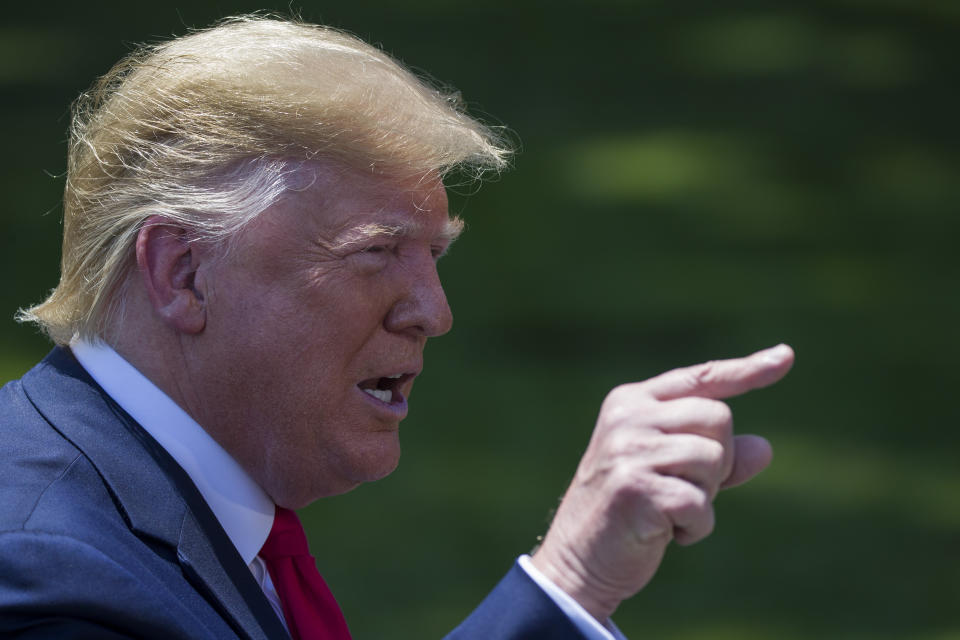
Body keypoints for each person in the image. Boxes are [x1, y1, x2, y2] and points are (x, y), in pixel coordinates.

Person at [0, 15, 794, 640]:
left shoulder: (180, 500)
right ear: (182, 273)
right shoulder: (45, 574)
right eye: (375, 253)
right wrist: (570, 581)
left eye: (435, 254)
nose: (435, 312)